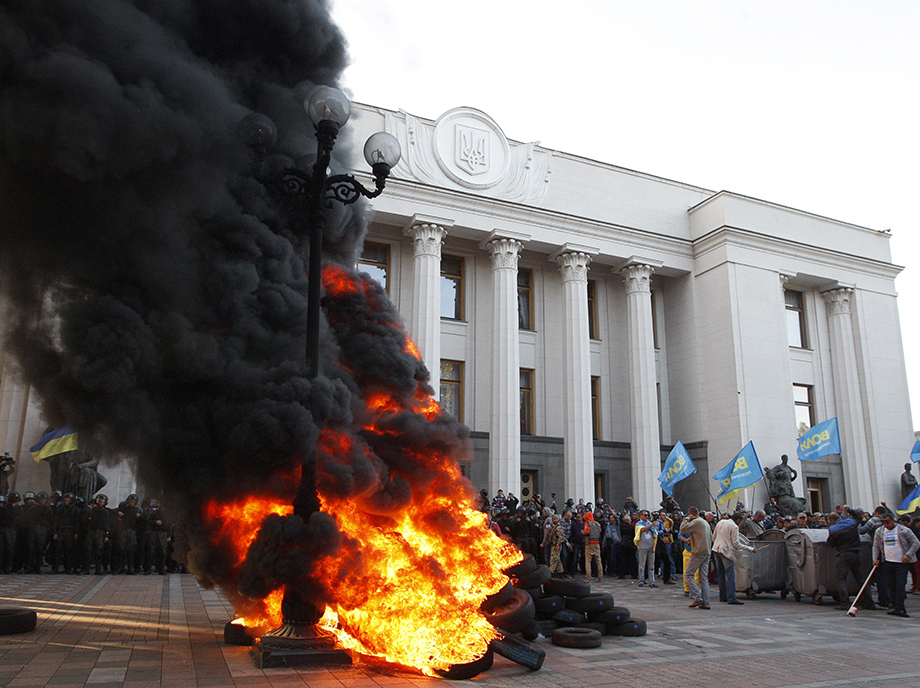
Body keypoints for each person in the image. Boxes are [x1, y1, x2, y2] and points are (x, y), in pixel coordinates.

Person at [872, 511, 920, 617]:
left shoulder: (904, 530)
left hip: (901, 562)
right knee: (891, 585)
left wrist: (908, 554)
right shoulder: (880, 531)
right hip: (888, 561)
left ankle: (900, 607)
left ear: (893, 521)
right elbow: (876, 545)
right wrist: (875, 558)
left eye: (887, 522)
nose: (886, 524)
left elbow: (916, 543)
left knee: (900, 585)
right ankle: (895, 605)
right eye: (883, 522)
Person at [826, 511, 876, 611]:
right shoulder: (851, 523)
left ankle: (845, 603)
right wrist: (849, 510)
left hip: (844, 554)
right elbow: (859, 518)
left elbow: (831, 543)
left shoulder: (833, 529)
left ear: (832, 520)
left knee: (841, 579)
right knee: (860, 579)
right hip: (856, 553)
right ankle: (869, 602)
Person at [712, 512, 755, 604]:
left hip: (716, 548)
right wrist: (750, 548)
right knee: (730, 575)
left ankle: (723, 596)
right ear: (738, 520)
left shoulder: (721, 522)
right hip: (726, 551)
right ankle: (731, 597)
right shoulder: (734, 527)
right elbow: (736, 544)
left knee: (721, 574)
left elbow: (714, 536)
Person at [680, 506, 712, 610]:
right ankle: (706, 602)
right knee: (704, 579)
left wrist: (686, 518)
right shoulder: (705, 522)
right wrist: (693, 540)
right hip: (707, 551)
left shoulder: (696, 521)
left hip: (698, 552)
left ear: (692, 514)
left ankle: (697, 597)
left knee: (689, 574)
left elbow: (683, 529)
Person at [634, 510, 658, 588]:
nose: (647, 516)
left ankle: (652, 581)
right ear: (641, 516)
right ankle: (641, 580)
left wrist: (655, 534)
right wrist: (651, 525)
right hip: (642, 546)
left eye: (647, 515)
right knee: (642, 564)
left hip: (651, 545)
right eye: (645, 515)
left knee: (651, 565)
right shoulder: (638, 524)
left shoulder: (650, 523)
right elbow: (642, 530)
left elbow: (655, 531)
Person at [583, 511, 603, 581]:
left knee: (588, 561)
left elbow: (587, 531)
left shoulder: (587, 523)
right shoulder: (597, 523)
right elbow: (600, 531)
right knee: (598, 561)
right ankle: (600, 576)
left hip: (590, 543)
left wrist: (583, 532)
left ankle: (588, 577)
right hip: (597, 543)